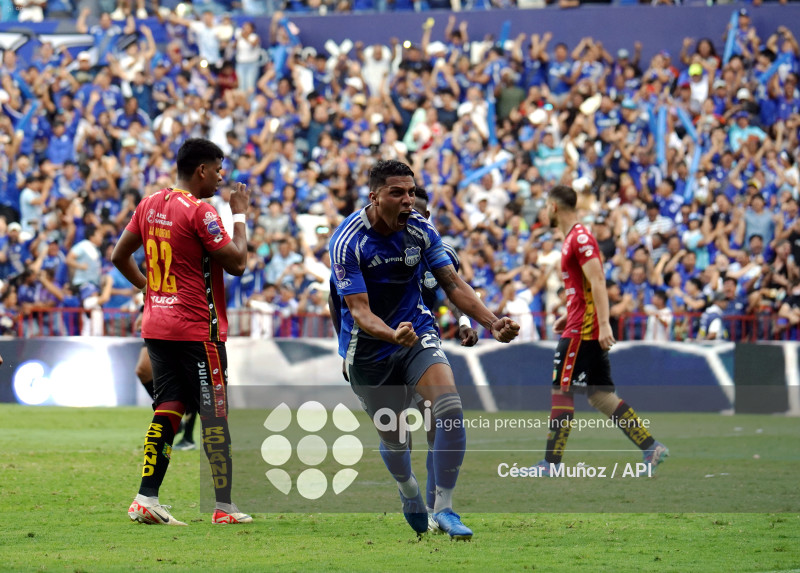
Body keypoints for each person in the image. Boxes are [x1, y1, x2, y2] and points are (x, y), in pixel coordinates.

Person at [329, 160, 519, 540]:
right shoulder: (348, 241)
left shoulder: (421, 230)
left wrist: (490, 321)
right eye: (397, 193)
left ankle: (445, 507)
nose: (408, 201)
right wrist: (389, 334)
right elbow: (360, 312)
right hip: (367, 351)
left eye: (411, 192)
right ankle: (409, 490)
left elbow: (452, 283)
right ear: (375, 196)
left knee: (448, 409)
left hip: (417, 333)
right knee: (397, 440)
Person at [111, 138, 252, 526]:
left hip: (157, 325)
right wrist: (239, 216)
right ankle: (224, 507)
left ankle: (146, 498)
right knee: (214, 414)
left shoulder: (149, 204)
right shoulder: (202, 212)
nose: (222, 177)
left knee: (168, 405)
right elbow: (238, 264)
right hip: (196, 330)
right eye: (218, 169)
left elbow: (118, 255)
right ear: (201, 171)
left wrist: (149, 288)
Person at [533, 185, 668, 477]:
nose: (544, 212)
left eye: (545, 206)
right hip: (579, 322)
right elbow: (583, 288)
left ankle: (550, 464)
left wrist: (604, 323)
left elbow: (598, 281)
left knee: (561, 389)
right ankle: (651, 447)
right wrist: (568, 314)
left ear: (554, 207)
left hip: (583, 330)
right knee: (600, 395)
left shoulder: (580, 238)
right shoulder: (572, 238)